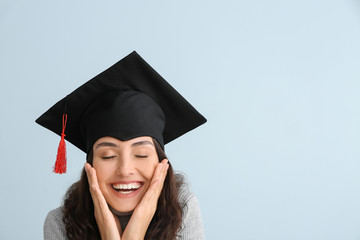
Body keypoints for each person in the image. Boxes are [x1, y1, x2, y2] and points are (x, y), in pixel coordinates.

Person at [36, 51, 207, 240]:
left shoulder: (182, 210)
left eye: (141, 154)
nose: (125, 170)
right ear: (90, 165)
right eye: (108, 155)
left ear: (161, 163)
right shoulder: (61, 222)